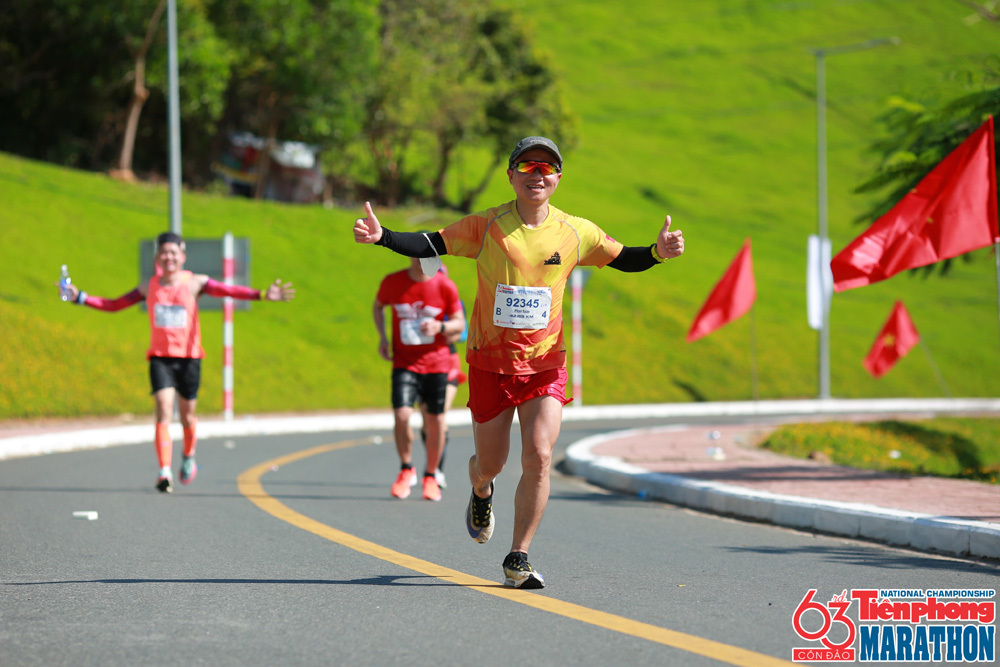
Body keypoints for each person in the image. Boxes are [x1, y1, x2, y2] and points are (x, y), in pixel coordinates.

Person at [354, 136, 685, 588]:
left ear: (558, 179)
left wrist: (656, 253)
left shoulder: (576, 232)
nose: (538, 174)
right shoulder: (488, 226)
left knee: (541, 455)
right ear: (511, 175)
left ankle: (518, 556)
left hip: (546, 364)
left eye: (547, 167)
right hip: (490, 362)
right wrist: (384, 237)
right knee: (491, 463)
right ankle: (479, 489)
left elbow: (622, 257)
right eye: (528, 166)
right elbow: (432, 242)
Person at [60, 231, 295, 493]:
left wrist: (262, 294)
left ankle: (188, 454)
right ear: (158, 257)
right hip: (160, 359)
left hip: (190, 359)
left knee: (187, 416)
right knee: (162, 408)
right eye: (164, 252)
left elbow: (229, 290)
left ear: (182, 256)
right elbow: (114, 305)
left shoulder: (195, 283)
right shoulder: (148, 287)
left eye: (174, 252)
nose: (169, 257)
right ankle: (164, 471)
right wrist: (81, 297)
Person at [373, 256, 465, 501]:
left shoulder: (445, 285)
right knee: (402, 415)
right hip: (404, 362)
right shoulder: (393, 282)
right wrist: (383, 337)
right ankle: (406, 469)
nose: (421, 261)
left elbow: (460, 323)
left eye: (428, 256)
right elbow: (378, 305)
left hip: (437, 363)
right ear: (411, 257)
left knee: (435, 421)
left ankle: (431, 475)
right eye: (417, 255)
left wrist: (440, 327)